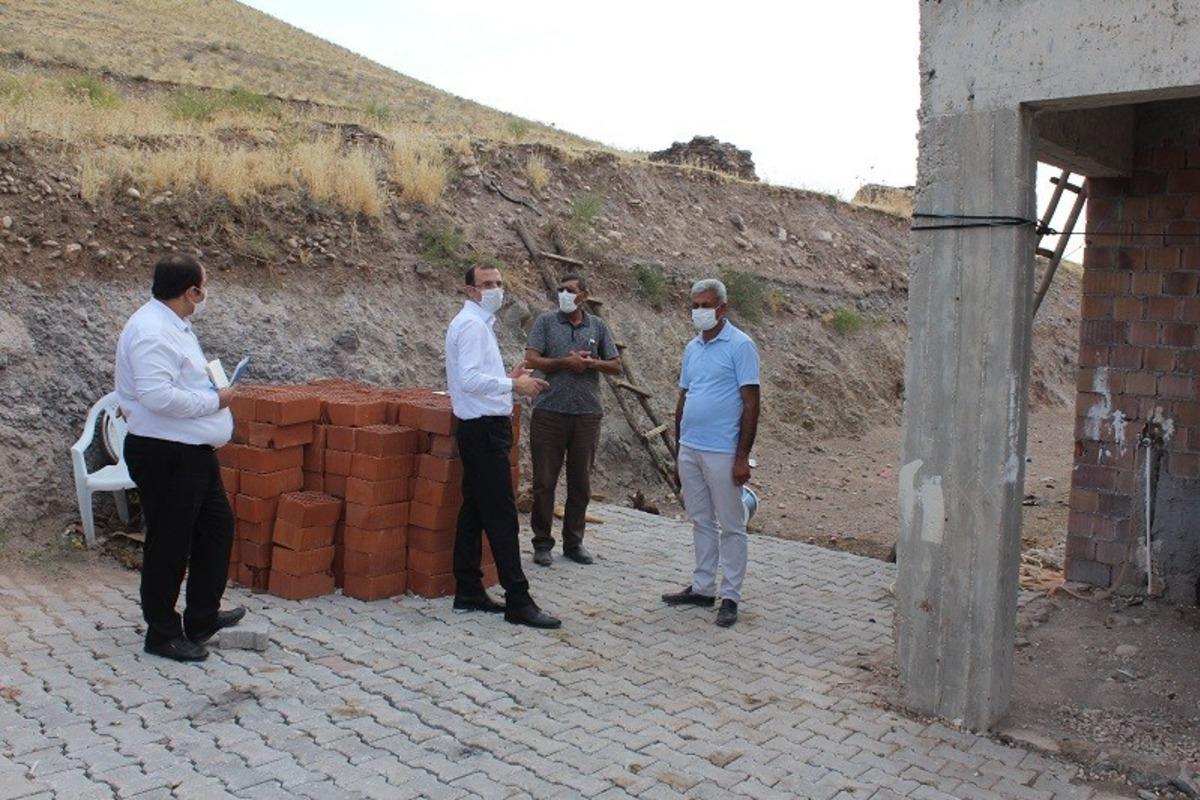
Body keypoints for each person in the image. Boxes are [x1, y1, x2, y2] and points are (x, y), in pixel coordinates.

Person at [115, 254, 245, 662]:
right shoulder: (152, 332)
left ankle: (202, 617)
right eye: (204, 288)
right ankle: (162, 632)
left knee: (217, 528)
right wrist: (215, 401)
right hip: (166, 453)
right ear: (191, 292)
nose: (205, 295)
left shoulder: (176, 325)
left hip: (193, 451)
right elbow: (157, 396)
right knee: (169, 544)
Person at [445, 263, 562, 629]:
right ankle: (518, 600)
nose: (494, 289)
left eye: (498, 283)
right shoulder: (471, 326)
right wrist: (515, 387)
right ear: (469, 290)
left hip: (481, 427)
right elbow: (468, 380)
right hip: (483, 430)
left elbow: (477, 378)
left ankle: (467, 589)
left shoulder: (478, 325)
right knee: (501, 516)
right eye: (485, 284)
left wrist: (506, 379)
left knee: (475, 512)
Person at [661, 278, 761, 627]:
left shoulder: (740, 346)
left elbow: (751, 403)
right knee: (700, 520)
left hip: (722, 449)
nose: (698, 312)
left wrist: (741, 456)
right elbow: (683, 398)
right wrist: (678, 449)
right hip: (691, 447)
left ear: (722, 308)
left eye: (705, 305)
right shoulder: (693, 348)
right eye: (694, 306)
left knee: (732, 525)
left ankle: (730, 595)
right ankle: (703, 587)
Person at [523, 274, 621, 566]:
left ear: (584, 296)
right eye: (561, 289)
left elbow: (616, 365)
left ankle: (573, 543)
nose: (564, 294)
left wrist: (593, 364)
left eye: (570, 290)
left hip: (587, 415)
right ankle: (542, 543)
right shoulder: (546, 322)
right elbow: (531, 359)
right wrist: (565, 362)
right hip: (549, 412)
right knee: (544, 482)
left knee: (580, 483)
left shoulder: (598, 326)